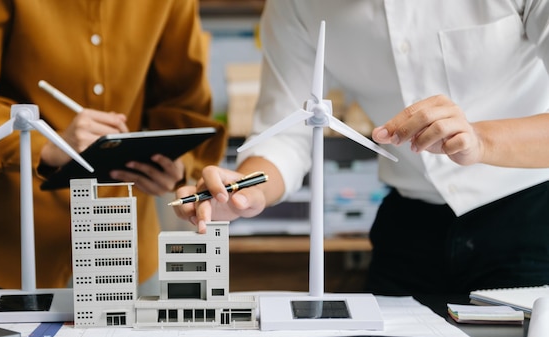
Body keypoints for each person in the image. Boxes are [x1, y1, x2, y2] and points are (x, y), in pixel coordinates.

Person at [172, 0, 549, 296]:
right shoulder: (296, 5)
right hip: (409, 229)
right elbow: (285, 131)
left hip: (531, 217)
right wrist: (245, 189)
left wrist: (481, 140)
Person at [0, 0, 227, 298]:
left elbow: (183, 104)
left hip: (127, 251)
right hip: (8, 255)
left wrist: (175, 165)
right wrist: (49, 145)